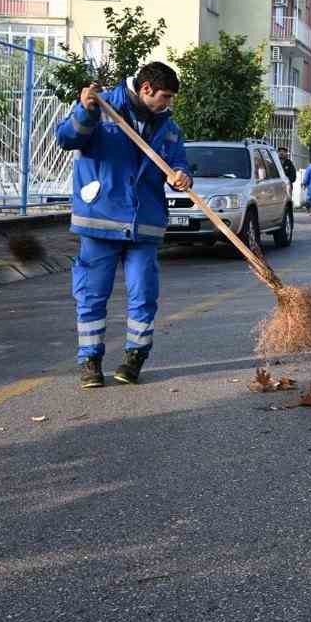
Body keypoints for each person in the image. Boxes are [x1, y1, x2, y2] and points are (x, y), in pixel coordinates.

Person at [55, 61, 192, 390]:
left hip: (144, 223)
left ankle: (135, 357)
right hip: (100, 218)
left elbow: (178, 161)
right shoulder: (101, 108)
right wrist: (84, 112)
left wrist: (181, 175)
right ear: (146, 89)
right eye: (165, 96)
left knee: (144, 293)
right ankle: (90, 360)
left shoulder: (168, 127)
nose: (168, 103)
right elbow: (66, 138)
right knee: (91, 294)